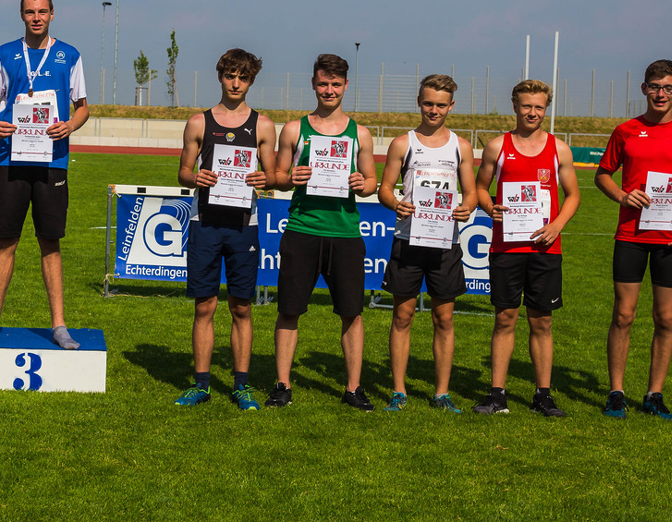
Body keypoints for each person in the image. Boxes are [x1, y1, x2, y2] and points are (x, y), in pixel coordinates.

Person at [0, 0, 89, 350]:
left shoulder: (69, 55)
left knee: (50, 242)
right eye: (30, 12)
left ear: (52, 14)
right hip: (10, 159)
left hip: (52, 161)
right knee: (6, 242)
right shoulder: (4, 54)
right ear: (22, 15)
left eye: (42, 11)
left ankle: (59, 326)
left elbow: (83, 107)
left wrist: (70, 125)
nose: (36, 17)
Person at [594, 59, 672, 420]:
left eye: (668, 87)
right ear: (644, 89)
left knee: (666, 319)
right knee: (623, 315)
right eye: (655, 86)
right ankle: (616, 392)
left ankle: (654, 395)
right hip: (631, 236)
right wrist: (622, 196)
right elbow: (603, 175)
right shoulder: (626, 131)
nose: (661, 93)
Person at [265, 54, 379, 410]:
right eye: (323, 83)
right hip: (303, 229)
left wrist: (362, 184)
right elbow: (276, 177)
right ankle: (282, 385)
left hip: (345, 234)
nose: (329, 90)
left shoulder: (360, 133)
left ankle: (353, 388)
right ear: (314, 84)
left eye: (336, 84)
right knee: (289, 310)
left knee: (352, 313)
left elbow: (372, 182)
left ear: (346, 86)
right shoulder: (294, 129)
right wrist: (290, 178)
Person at [173, 49, 277, 410]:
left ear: (251, 81)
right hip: (205, 222)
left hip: (243, 225)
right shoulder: (198, 122)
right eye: (230, 76)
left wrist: (265, 179)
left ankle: (241, 385)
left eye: (243, 78)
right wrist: (195, 177)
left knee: (242, 307)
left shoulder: (263, 125)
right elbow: (183, 171)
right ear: (220, 76)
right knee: (204, 306)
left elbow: (273, 175)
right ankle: (201, 384)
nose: (236, 84)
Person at [472, 80, 580, 417]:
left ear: (546, 108)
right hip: (506, 247)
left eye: (539, 107)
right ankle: (497, 395)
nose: (532, 112)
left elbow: (573, 195)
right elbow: (480, 187)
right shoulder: (497, 147)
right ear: (515, 106)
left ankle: (543, 396)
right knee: (505, 318)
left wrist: (557, 225)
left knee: (542, 322)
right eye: (526, 106)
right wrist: (489, 207)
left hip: (545, 249)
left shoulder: (559, 149)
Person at [378, 74, 476, 413]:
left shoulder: (461, 146)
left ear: (451, 106)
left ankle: (441, 393)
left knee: (444, 318)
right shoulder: (402, 144)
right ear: (419, 103)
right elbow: (385, 189)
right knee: (402, 316)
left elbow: (472, 191)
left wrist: (467, 207)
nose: (434, 110)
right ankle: (399, 391)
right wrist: (396, 203)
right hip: (408, 240)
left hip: (445, 242)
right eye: (428, 103)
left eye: (441, 105)